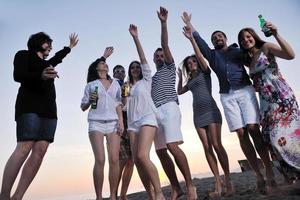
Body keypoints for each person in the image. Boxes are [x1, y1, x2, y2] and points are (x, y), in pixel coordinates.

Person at [182, 12, 276, 193]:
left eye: (220, 36)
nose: (217, 38)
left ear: (225, 39)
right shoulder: (211, 55)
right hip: (227, 95)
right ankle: (258, 175)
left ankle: (270, 171)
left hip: (245, 90)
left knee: (253, 129)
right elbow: (199, 40)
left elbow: (255, 57)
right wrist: (189, 24)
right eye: (214, 37)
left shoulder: (237, 51)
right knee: (241, 134)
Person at [0, 32, 78, 200]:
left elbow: (57, 57)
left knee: (41, 149)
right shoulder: (23, 55)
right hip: (29, 106)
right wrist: (40, 76)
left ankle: (18, 196)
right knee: (24, 147)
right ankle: (4, 195)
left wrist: (69, 48)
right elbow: (18, 76)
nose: (50, 46)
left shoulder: (47, 63)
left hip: (49, 110)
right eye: (47, 43)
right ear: (37, 43)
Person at [238, 24, 300, 180]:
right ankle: (292, 175)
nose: (246, 40)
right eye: (242, 39)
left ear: (254, 36)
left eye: (248, 36)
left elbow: (290, 55)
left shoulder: (266, 47)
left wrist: (276, 34)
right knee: (271, 139)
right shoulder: (248, 61)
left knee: (290, 135)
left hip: (281, 97)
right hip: (265, 103)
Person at [177, 25, 233, 197]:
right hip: (198, 115)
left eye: (193, 61)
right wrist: (180, 77)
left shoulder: (205, 72)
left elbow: (200, 55)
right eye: (189, 63)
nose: (192, 63)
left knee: (217, 145)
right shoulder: (191, 81)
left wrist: (191, 39)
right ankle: (218, 181)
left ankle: (228, 180)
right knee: (207, 147)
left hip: (211, 110)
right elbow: (179, 91)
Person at [152, 7, 197, 200]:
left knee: (172, 146)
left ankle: (190, 185)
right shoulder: (152, 78)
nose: (161, 57)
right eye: (158, 56)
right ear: (154, 59)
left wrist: (163, 23)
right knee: (161, 152)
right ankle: (176, 188)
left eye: (163, 55)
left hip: (170, 106)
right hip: (154, 112)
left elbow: (165, 43)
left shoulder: (170, 67)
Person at [81, 47, 124, 200]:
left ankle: (113, 196)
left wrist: (121, 121)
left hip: (113, 123)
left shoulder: (115, 84)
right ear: (96, 68)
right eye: (101, 63)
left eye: (105, 63)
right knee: (100, 160)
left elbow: (119, 103)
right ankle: (99, 197)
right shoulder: (91, 85)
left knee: (114, 159)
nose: (105, 64)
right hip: (95, 123)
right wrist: (91, 101)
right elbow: (84, 106)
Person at [127, 24, 165, 200]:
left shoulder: (146, 79)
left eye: (137, 66)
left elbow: (142, 57)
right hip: (132, 123)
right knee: (136, 161)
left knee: (143, 155)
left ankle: (158, 192)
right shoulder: (128, 86)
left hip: (147, 117)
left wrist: (135, 37)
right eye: (132, 67)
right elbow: (124, 104)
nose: (136, 68)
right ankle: (151, 195)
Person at [113, 65, 134, 200]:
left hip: (131, 124)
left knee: (131, 160)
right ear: (113, 73)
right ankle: (114, 193)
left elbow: (126, 103)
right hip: (116, 125)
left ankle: (123, 194)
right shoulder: (111, 84)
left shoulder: (127, 85)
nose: (120, 73)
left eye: (122, 71)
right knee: (121, 160)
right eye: (117, 71)